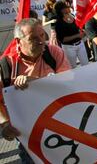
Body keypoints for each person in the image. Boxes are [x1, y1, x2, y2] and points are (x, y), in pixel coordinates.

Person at [0, 18, 71, 162]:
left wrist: (36, 83)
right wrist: (5, 125)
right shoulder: (5, 65)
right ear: (18, 41)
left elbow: (68, 83)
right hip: (28, 135)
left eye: (42, 35)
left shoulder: (54, 53)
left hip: (61, 125)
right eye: (33, 38)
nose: (40, 41)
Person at [54, 0, 89, 68]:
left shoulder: (73, 16)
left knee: (86, 65)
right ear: (61, 10)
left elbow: (77, 28)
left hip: (80, 44)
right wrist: (77, 35)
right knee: (72, 67)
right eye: (66, 7)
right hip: (69, 47)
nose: (68, 7)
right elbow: (62, 39)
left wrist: (82, 31)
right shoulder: (58, 23)